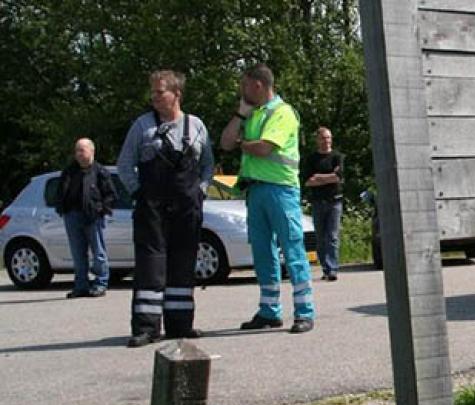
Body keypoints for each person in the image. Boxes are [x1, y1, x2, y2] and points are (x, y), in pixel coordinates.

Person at [118, 70, 215, 347]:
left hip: (187, 208)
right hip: (151, 210)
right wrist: (138, 193)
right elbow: (125, 165)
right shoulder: (142, 126)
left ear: (176, 94)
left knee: (183, 264)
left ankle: (180, 325)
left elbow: (208, 165)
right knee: (151, 266)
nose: (154, 97)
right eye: (152, 92)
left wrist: (200, 191)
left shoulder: (196, 126)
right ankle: (146, 328)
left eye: (160, 92)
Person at [219, 63, 314, 333]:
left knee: (292, 249)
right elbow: (225, 142)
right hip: (256, 190)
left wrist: (241, 144)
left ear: (257, 84)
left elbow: (263, 148)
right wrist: (239, 114)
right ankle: (269, 311)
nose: (241, 89)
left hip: (281, 189)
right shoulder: (252, 113)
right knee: (262, 252)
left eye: (244, 84)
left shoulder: (282, 112)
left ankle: (304, 312)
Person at [56, 138, 116, 299]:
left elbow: (111, 195)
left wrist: (102, 209)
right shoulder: (69, 172)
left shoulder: (100, 171)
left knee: (99, 253)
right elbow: (60, 192)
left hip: (93, 217)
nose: (79, 154)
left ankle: (100, 283)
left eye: (82, 150)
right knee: (78, 254)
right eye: (77, 151)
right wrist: (62, 208)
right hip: (72, 216)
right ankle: (81, 286)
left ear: (92, 151)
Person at [301, 127, 344, 281]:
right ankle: (325, 268)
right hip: (318, 202)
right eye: (323, 138)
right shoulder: (312, 159)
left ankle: (333, 269)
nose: (326, 141)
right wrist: (329, 177)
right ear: (318, 140)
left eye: (328, 138)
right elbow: (308, 181)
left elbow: (338, 178)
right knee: (320, 238)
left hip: (335, 201)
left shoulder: (337, 157)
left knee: (332, 236)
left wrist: (319, 177)